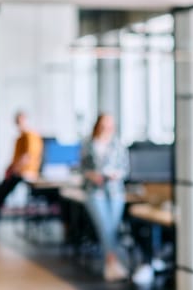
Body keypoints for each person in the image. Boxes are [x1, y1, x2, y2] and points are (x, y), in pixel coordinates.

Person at [0, 111, 43, 238]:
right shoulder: (19, 138)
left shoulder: (31, 136)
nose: (19, 123)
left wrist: (13, 169)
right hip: (16, 172)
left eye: (21, 120)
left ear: (25, 120)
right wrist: (9, 168)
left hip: (25, 173)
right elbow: (16, 159)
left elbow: (27, 157)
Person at [80, 113, 129, 282]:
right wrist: (92, 175)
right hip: (95, 191)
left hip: (115, 191)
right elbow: (82, 168)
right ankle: (112, 263)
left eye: (110, 124)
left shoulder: (117, 144)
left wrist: (116, 174)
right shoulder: (89, 143)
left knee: (112, 228)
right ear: (98, 124)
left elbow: (125, 168)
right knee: (104, 226)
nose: (107, 127)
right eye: (104, 124)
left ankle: (111, 264)